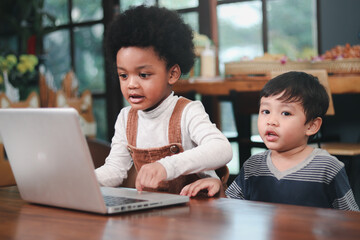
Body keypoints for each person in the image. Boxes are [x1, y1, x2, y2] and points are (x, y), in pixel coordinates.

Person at [95, 5, 232, 194]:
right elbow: (115, 171)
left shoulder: (187, 111)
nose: (131, 84)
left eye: (143, 75)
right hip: (159, 214)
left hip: (200, 210)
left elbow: (222, 149)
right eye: (123, 75)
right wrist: (81, 179)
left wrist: (167, 166)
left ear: (173, 73)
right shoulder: (126, 118)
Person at [181, 71, 359, 211]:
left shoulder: (327, 167)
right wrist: (218, 188)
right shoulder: (253, 166)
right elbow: (232, 209)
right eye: (265, 111)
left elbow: (350, 220)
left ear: (312, 126)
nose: (271, 121)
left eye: (286, 113)